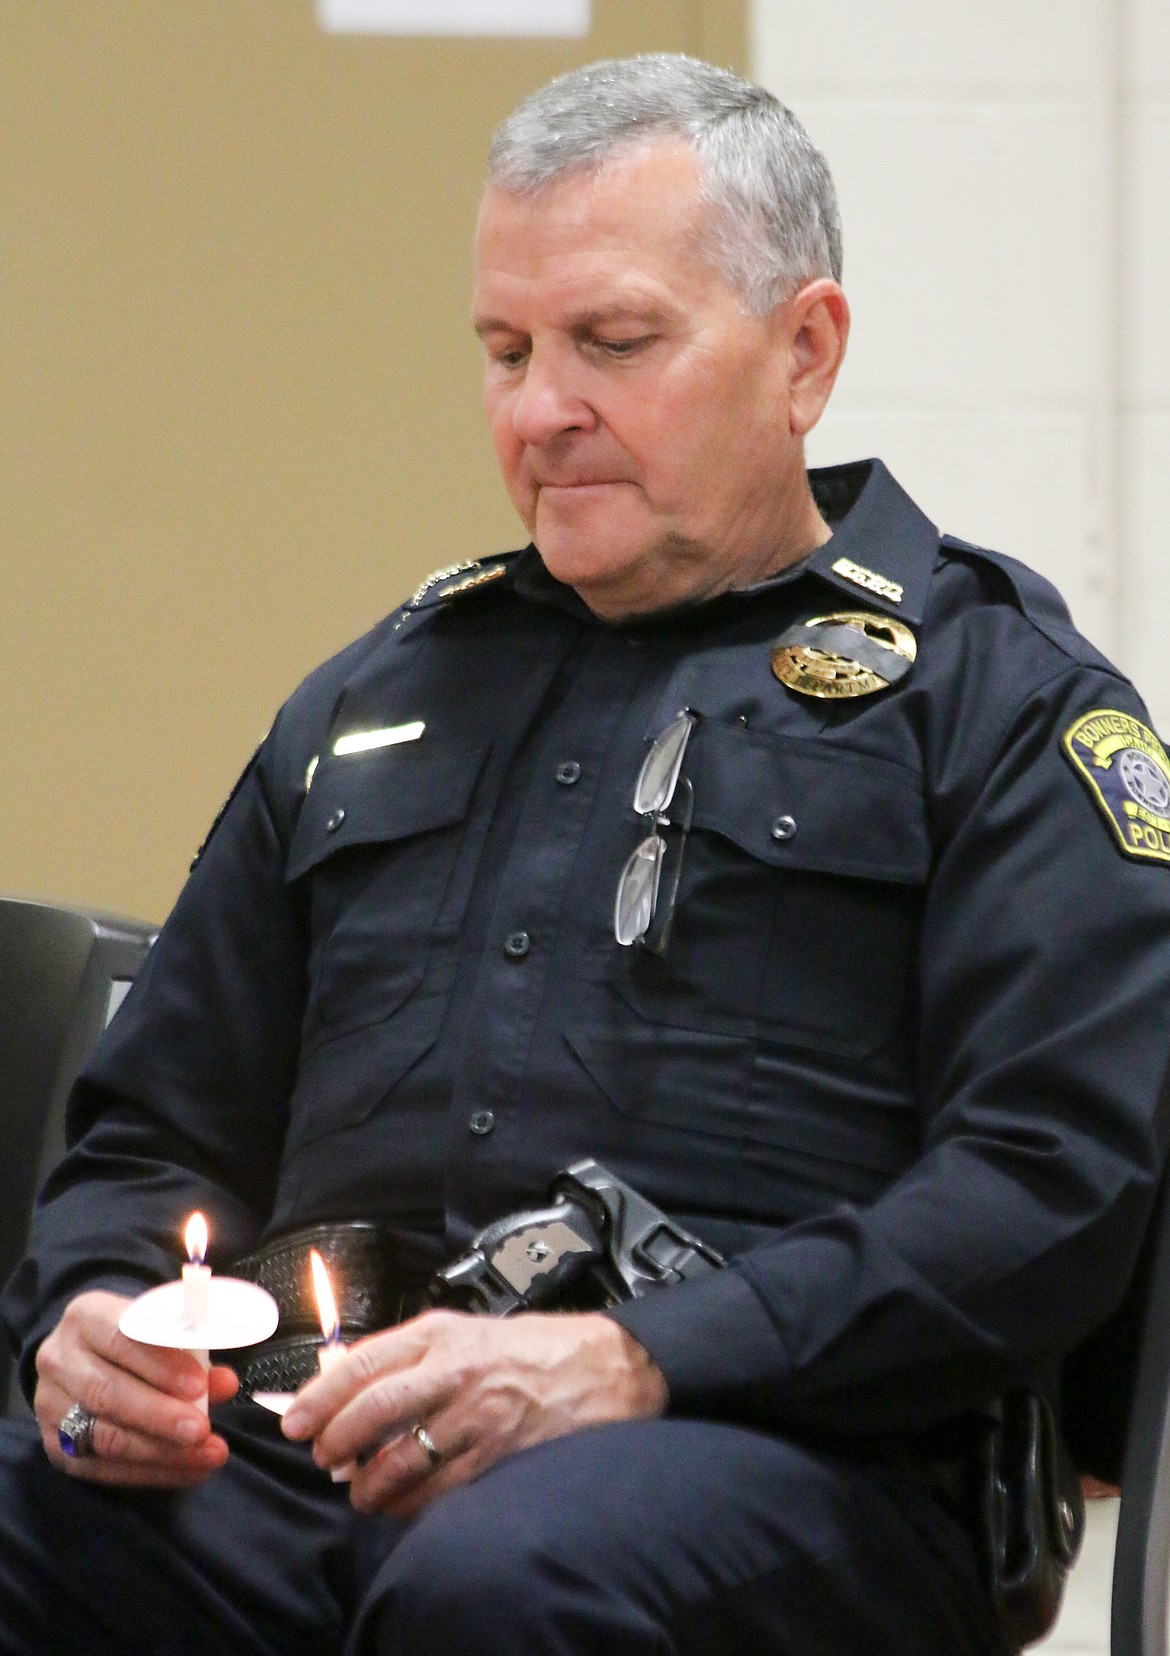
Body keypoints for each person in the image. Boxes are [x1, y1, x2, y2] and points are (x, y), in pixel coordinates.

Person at [2, 51, 1169, 1656]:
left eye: (612, 343)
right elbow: (149, 1133)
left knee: (496, 1583)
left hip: (774, 1458)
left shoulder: (992, 707)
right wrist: (83, 1326)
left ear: (803, 351)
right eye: (504, 350)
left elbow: (1048, 1192)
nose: (541, 409)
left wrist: (637, 1356)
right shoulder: (375, 696)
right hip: (315, 1439)